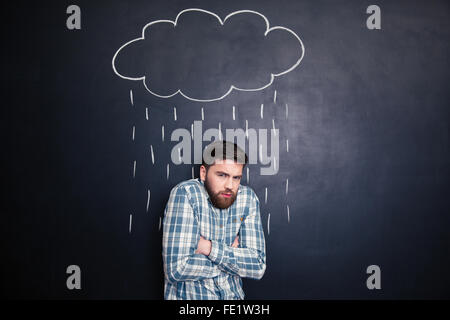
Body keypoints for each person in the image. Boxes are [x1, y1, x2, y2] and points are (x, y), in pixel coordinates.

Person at [162, 140, 266, 300]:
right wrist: (233, 261)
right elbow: (176, 269)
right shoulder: (185, 194)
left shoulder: (247, 198)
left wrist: (209, 248)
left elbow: (258, 265)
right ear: (203, 173)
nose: (230, 185)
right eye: (222, 175)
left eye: (236, 177)